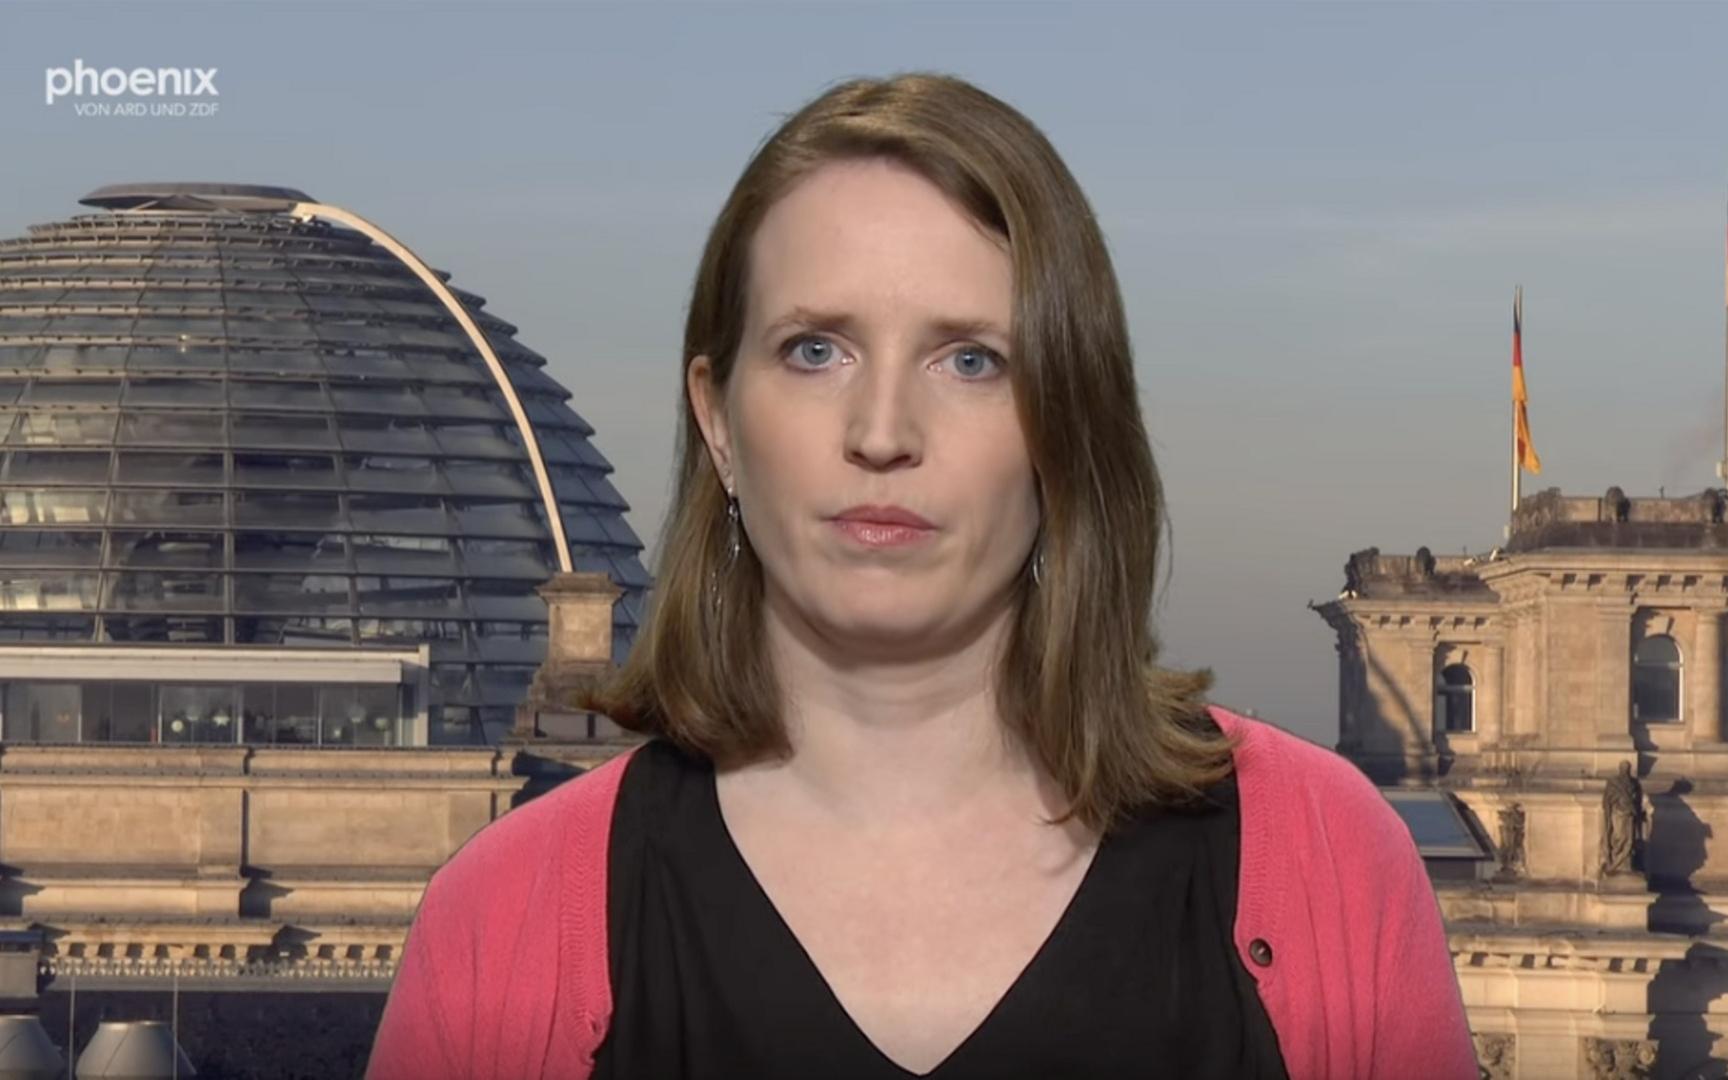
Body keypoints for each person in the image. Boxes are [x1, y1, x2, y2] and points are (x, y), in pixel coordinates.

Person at [367, 72, 1476, 1080]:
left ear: (1066, 429)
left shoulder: (1325, 859)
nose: (883, 431)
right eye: (816, 350)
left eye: (971, 360)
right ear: (718, 421)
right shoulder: (503, 916)